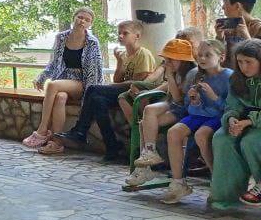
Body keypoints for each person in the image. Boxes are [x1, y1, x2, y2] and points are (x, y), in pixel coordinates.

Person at [55, 19, 158, 162]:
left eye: (125, 33)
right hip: (123, 92)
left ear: (137, 36)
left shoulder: (143, 54)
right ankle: (111, 146)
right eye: (119, 33)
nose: (120, 36)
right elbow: (118, 79)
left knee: (93, 89)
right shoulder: (125, 55)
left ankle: (80, 131)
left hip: (135, 94)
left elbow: (138, 83)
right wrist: (120, 62)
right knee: (97, 101)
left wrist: (112, 86)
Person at [22, 8, 102, 155]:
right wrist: (41, 77)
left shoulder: (92, 42)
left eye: (87, 20)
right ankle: (57, 143)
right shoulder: (61, 37)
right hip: (63, 78)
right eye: (80, 17)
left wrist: (90, 96)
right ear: (74, 18)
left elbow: (94, 70)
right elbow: (54, 63)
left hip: (82, 82)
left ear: (90, 24)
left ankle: (42, 130)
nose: (82, 21)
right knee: (60, 97)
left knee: (53, 85)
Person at [160, 40, 231, 204]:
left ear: (221, 57)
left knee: (201, 135)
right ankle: (178, 182)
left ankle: (216, 178)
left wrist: (214, 97)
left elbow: (231, 107)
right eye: (200, 55)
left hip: (217, 117)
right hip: (198, 115)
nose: (202, 59)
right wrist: (194, 100)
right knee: (173, 132)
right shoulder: (196, 75)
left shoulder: (229, 76)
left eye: (208, 55)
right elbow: (188, 106)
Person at [209, 39, 261, 209]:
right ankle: (225, 197)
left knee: (251, 141)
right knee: (222, 138)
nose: (244, 66)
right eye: (240, 62)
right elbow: (231, 105)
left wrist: (249, 121)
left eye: (249, 62)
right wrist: (232, 119)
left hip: (256, 124)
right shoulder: (236, 79)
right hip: (244, 122)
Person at [117, 27, 204, 126]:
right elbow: (157, 75)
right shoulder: (172, 59)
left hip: (177, 98)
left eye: (189, 44)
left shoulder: (197, 65)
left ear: (200, 44)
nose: (185, 47)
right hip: (165, 86)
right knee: (126, 94)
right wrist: (148, 89)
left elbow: (178, 96)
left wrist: (149, 93)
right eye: (181, 43)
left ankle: (145, 123)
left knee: (140, 95)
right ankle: (137, 127)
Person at [132, 37, 196, 168]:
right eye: (166, 59)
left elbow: (178, 99)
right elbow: (169, 93)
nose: (167, 63)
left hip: (184, 109)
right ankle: (149, 154)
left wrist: (170, 75)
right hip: (173, 104)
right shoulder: (177, 71)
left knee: (145, 124)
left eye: (171, 59)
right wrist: (149, 91)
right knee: (148, 112)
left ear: (183, 60)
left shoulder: (191, 74)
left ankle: (146, 164)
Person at [211, 0, 261, 69]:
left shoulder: (258, 28)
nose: (222, 7)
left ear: (237, 6)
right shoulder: (228, 28)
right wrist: (220, 38)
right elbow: (219, 59)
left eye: (225, 3)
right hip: (230, 75)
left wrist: (246, 37)